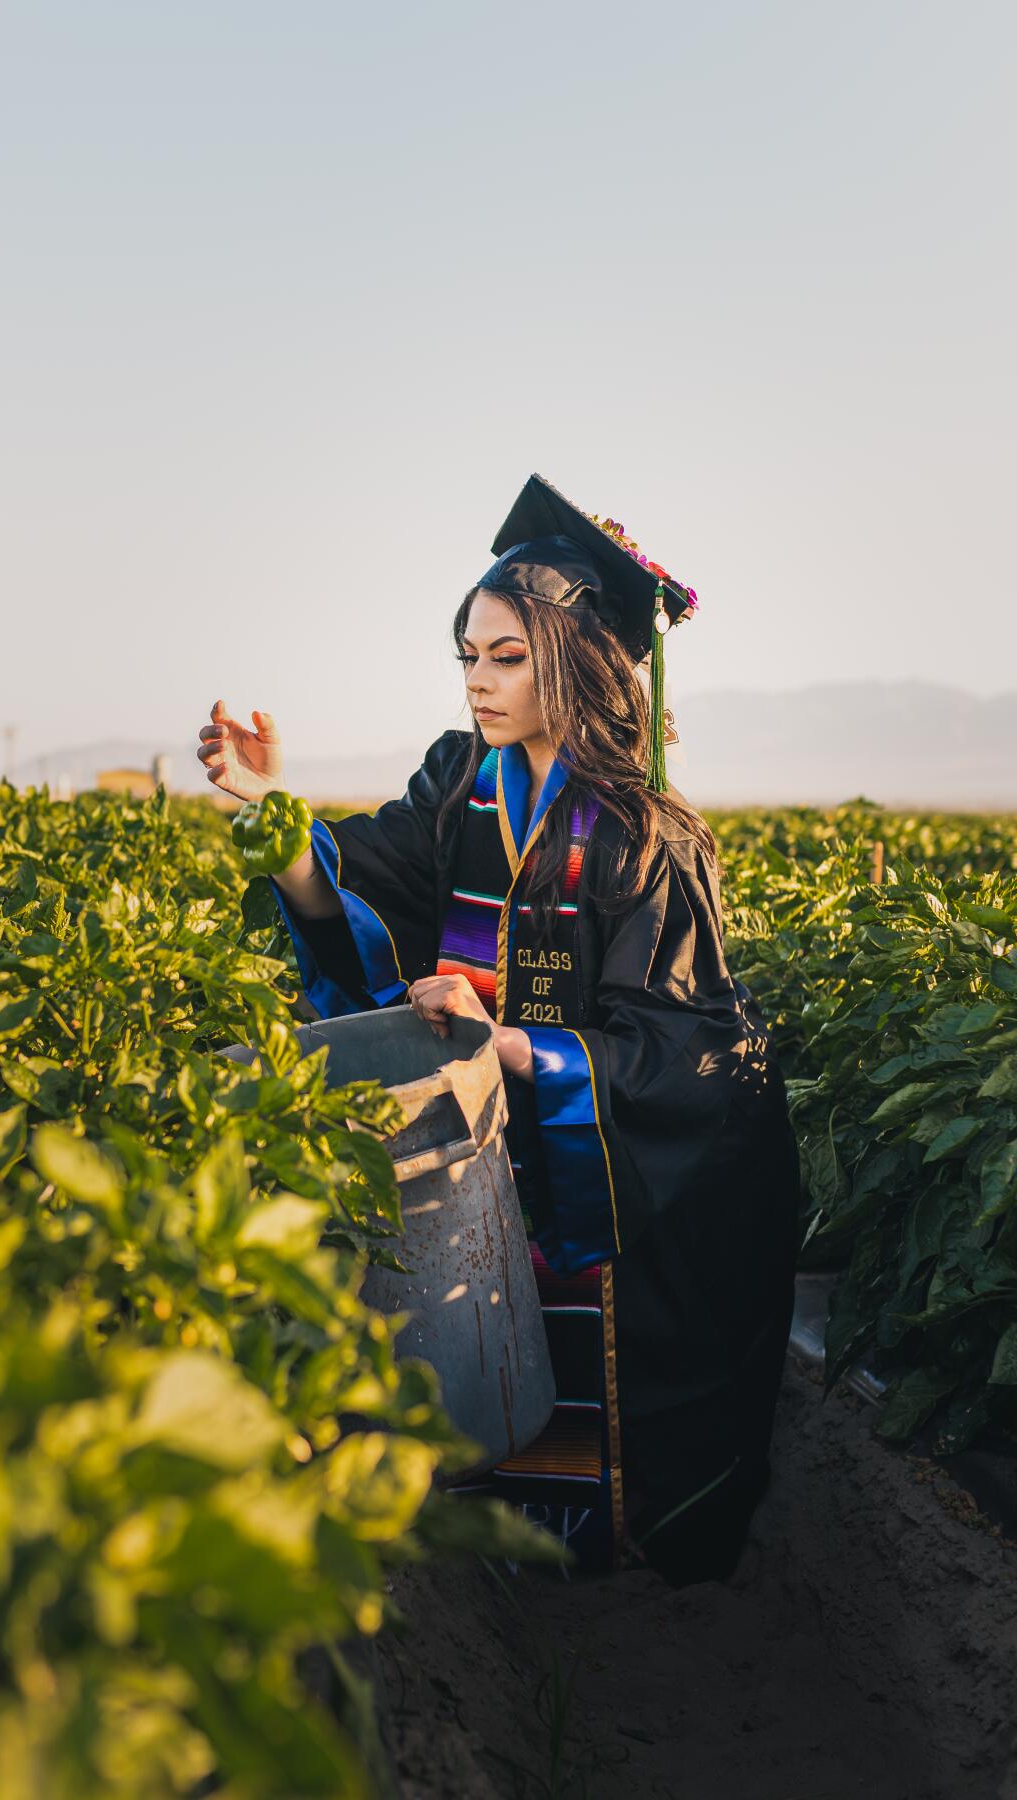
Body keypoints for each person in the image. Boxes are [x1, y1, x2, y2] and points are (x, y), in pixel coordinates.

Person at [197, 474, 800, 1586]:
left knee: (588, 1421)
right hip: (491, 1155)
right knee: (480, 1374)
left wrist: (515, 1046)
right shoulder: (459, 786)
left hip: (591, 1156)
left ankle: (601, 1566)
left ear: (577, 662)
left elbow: (683, 1054)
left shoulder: (645, 836)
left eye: (506, 656)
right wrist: (270, 813)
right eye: (467, 654)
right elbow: (362, 888)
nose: (478, 679)